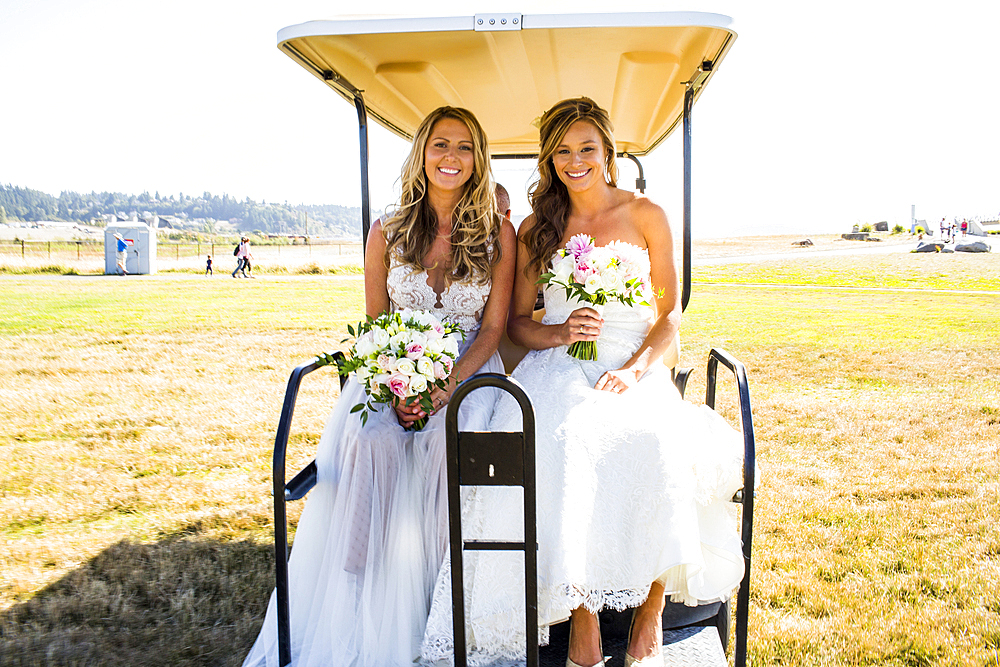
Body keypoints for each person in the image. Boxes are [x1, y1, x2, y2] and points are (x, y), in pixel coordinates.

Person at [421, 98, 744, 667]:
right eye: (564, 151)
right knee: (563, 440)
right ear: (550, 158)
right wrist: (561, 332)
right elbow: (518, 321)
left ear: (608, 154)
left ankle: (651, 601)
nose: (576, 161)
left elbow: (669, 313)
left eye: (587, 149)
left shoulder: (647, 214)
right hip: (563, 358)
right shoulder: (536, 228)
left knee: (655, 439)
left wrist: (634, 368)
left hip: (634, 359)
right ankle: (583, 613)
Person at [242, 106, 516, 667]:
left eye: (464, 147)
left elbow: (491, 329)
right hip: (393, 369)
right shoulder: (387, 232)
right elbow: (377, 325)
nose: (451, 157)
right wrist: (398, 383)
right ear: (421, 153)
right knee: (373, 439)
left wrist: (447, 387)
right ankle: (360, 586)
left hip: (468, 372)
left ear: (478, 159)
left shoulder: (497, 233)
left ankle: (446, 591)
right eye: (440, 144)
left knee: (449, 442)